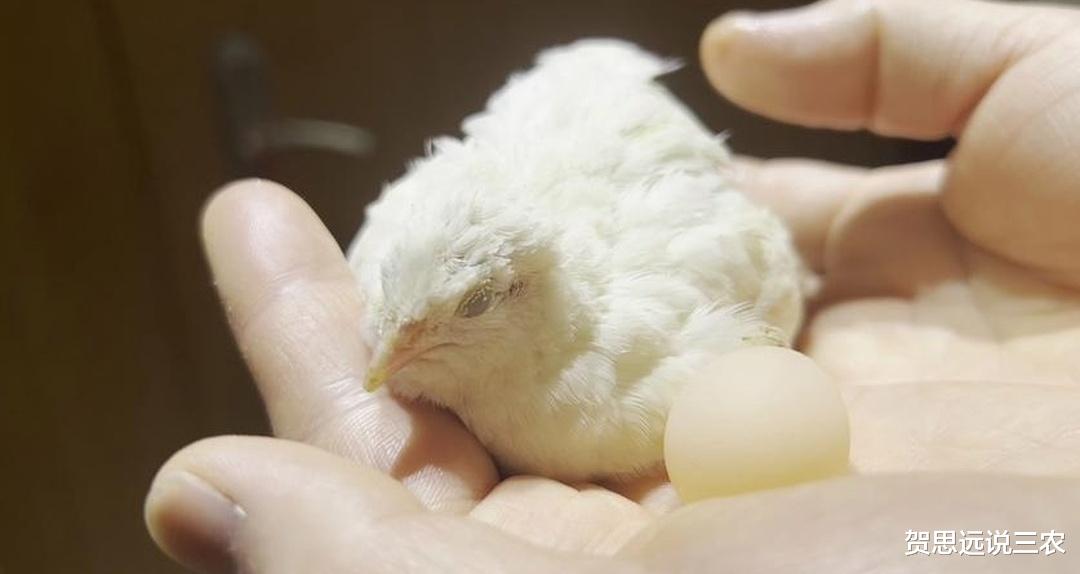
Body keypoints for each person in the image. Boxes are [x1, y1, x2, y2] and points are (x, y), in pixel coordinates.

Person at [144, 0, 1080, 571]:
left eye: (472, 306)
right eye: (394, 316)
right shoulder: (402, 244)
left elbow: (767, 271)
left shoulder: (653, 350)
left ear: (530, 296)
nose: (384, 356)